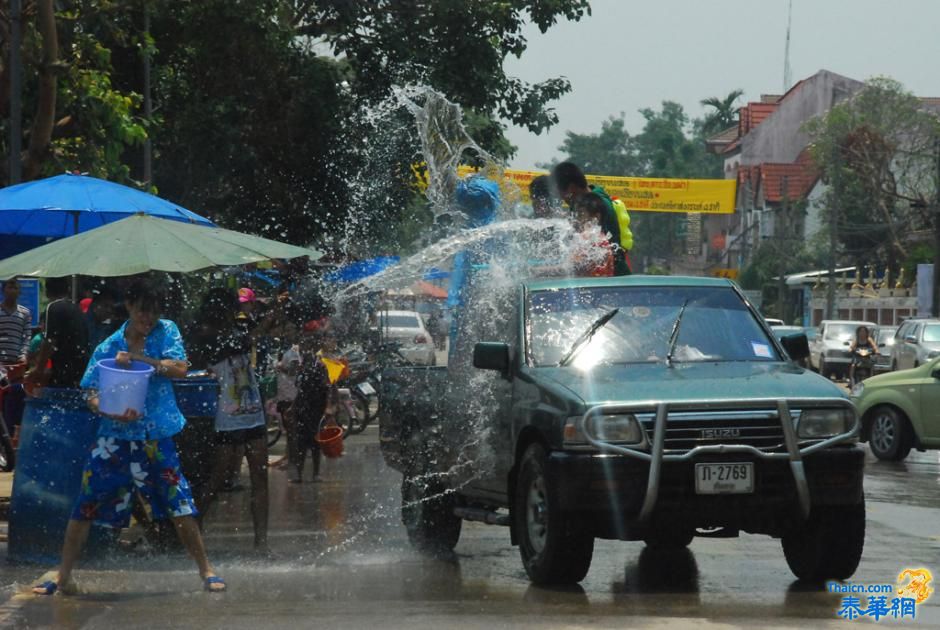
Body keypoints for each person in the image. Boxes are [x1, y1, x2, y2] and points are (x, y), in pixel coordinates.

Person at [32, 278, 225, 595]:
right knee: (86, 504)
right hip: (114, 438)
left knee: (179, 503)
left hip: (155, 435)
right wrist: (107, 409)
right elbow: (90, 392)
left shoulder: (167, 331)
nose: (148, 320)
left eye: (153, 313)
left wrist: (142, 361)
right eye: (142, 312)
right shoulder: (109, 346)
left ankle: (207, 570)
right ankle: (63, 576)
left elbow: (179, 368)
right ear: (130, 307)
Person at [189, 288, 269, 552]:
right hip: (227, 417)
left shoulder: (233, 330)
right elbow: (243, 344)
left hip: (252, 412)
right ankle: (192, 538)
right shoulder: (206, 336)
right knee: (218, 476)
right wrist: (267, 322)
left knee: (260, 476)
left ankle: (261, 543)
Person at [551, 162, 632, 276]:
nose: (561, 199)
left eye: (560, 193)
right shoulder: (583, 204)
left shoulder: (597, 205)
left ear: (571, 188)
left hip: (613, 280)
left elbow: (590, 258)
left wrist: (545, 271)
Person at [290, 319, 343, 483]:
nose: (304, 346)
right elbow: (300, 388)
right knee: (300, 442)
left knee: (314, 442)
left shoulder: (320, 364)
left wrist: (328, 408)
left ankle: (315, 473)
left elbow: (328, 388)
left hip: (316, 407)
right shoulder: (304, 363)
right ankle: (299, 474)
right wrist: (293, 406)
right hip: (303, 407)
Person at [26, 277, 89, 389]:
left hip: (63, 371)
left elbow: (49, 342)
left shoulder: (53, 307)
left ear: (47, 291)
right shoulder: (75, 308)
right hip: (80, 370)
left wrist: (38, 370)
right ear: (67, 289)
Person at [1, 277, 31, 437]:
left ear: (19, 291)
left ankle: (11, 434)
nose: (12, 290)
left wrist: (24, 354)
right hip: (1, 364)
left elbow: (26, 336)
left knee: (16, 395)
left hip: (17, 364)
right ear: (3, 290)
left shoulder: (24, 313)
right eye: (9, 286)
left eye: (15, 287)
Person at [571, 193, 616, 277]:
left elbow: (573, 267)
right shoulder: (602, 239)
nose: (575, 219)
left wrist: (543, 270)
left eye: (580, 214)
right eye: (575, 215)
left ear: (596, 217)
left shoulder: (593, 239)